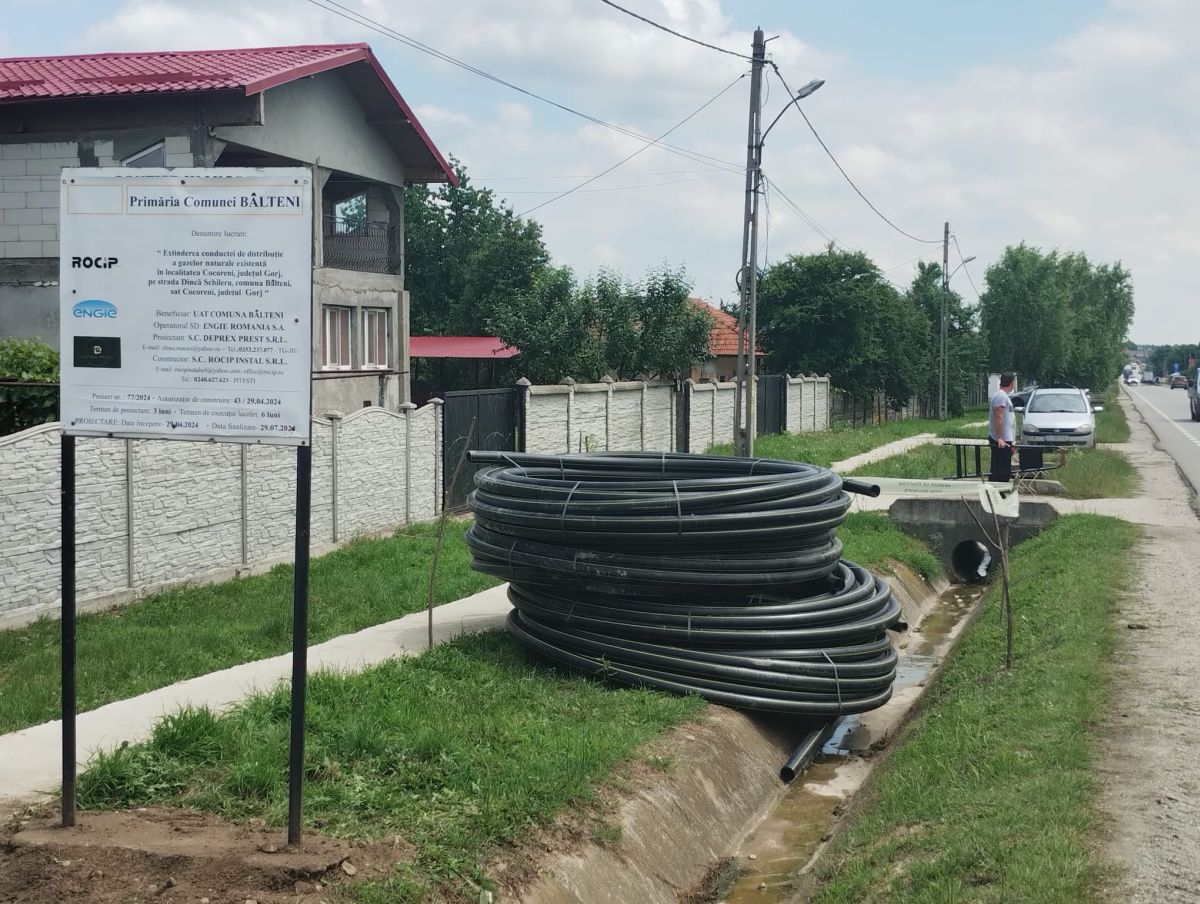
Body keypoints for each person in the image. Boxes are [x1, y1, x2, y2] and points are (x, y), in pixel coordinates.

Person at [989, 373, 1016, 482]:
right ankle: (997, 491)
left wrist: (1012, 442)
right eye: (1014, 382)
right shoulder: (1001, 396)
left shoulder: (1003, 396)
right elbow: (998, 417)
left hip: (1006, 440)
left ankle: (998, 490)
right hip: (1001, 441)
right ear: (1011, 383)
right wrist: (999, 438)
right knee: (1000, 473)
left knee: (1003, 471)